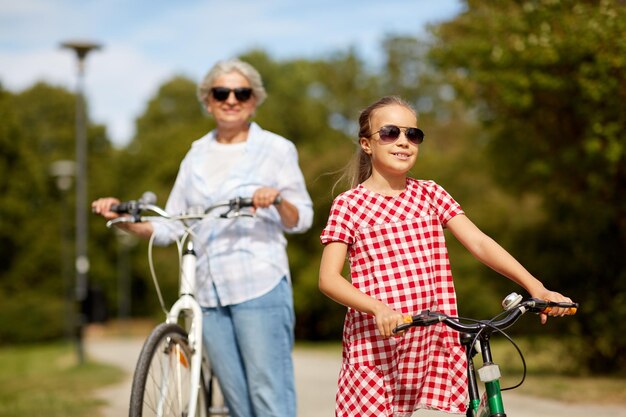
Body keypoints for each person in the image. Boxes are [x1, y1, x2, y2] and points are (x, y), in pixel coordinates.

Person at [318, 96, 572, 416]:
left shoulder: (430, 193)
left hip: (428, 341)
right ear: (367, 144)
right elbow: (328, 279)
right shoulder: (349, 204)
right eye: (390, 133)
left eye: (413, 135)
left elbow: (479, 243)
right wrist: (377, 308)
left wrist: (536, 287)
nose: (403, 142)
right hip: (376, 348)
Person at [92, 58, 313, 417]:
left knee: (269, 398)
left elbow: (301, 218)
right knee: (239, 404)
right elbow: (173, 224)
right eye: (220, 92)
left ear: (254, 100)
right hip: (208, 292)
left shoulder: (277, 149)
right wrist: (123, 219)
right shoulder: (195, 154)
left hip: (259, 284)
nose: (231, 99)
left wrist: (276, 198)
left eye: (241, 93)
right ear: (207, 100)